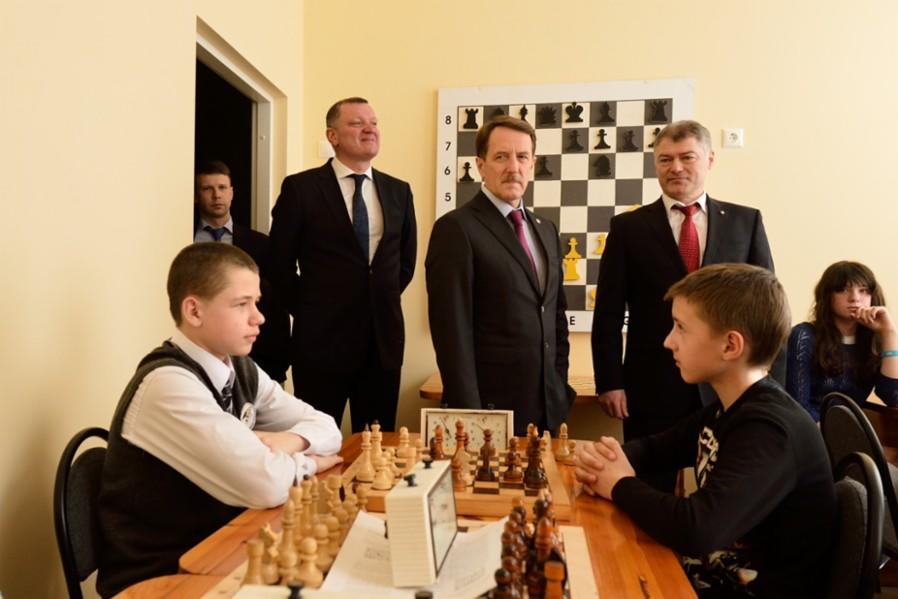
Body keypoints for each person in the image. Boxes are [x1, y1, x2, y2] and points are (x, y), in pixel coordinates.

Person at [96, 243, 342, 598]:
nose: (259, 317)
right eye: (242, 304)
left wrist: (291, 441)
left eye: (256, 303)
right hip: (163, 580)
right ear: (194, 311)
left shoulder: (239, 368)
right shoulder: (168, 385)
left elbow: (327, 426)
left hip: (222, 550)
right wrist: (312, 463)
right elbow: (266, 484)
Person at [576, 264, 835, 598]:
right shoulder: (729, 406)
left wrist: (618, 484)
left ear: (730, 346)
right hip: (717, 573)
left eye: (681, 328)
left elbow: (697, 528)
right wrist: (602, 459)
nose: (668, 341)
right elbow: (657, 449)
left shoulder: (769, 430)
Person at [591, 119, 776, 490]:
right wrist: (609, 382)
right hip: (650, 387)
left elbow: (766, 310)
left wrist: (767, 378)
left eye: (687, 157)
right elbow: (608, 313)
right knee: (646, 492)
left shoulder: (746, 222)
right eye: (665, 159)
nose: (675, 167)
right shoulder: (627, 228)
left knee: (730, 494)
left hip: (728, 387)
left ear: (710, 159)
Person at [269, 98, 416, 433]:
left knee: (377, 448)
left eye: (374, 122)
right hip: (320, 345)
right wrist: (309, 310)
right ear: (332, 136)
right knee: (316, 443)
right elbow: (277, 265)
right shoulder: (301, 189)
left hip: (382, 345)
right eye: (357, 123)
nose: (369, 129)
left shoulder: (399, 191)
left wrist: (378, 299)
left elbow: (404, 263)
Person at [425, 116, 573, 436]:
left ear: (533, 165)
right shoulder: (456, 228)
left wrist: (559, 383)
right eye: (501, 156)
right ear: (480, 165)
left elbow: (555, 315)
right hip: (489, 412)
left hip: (548, 407)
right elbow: (451, 332)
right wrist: (471, 414)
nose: (513, 167)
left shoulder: (546, 230)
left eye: (522, 157)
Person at [194, 160, 291, 383]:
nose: (216, 195)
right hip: (200, 348)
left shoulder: (260, 245)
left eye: (222, 188)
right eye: (207, 189)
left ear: (232, 193)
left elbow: (276, 306)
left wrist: (279, 360)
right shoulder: (184, 240)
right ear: (196, 196)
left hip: (254, 357)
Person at [786, 261, 898, 421]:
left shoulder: (875, 340)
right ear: (828, 296)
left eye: (863, 291)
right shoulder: (803, 335)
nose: (855, 298)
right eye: (844, 290)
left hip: (849, 430)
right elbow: (797, 406)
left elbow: (892, 397)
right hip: (809, 430)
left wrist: (889, 333)